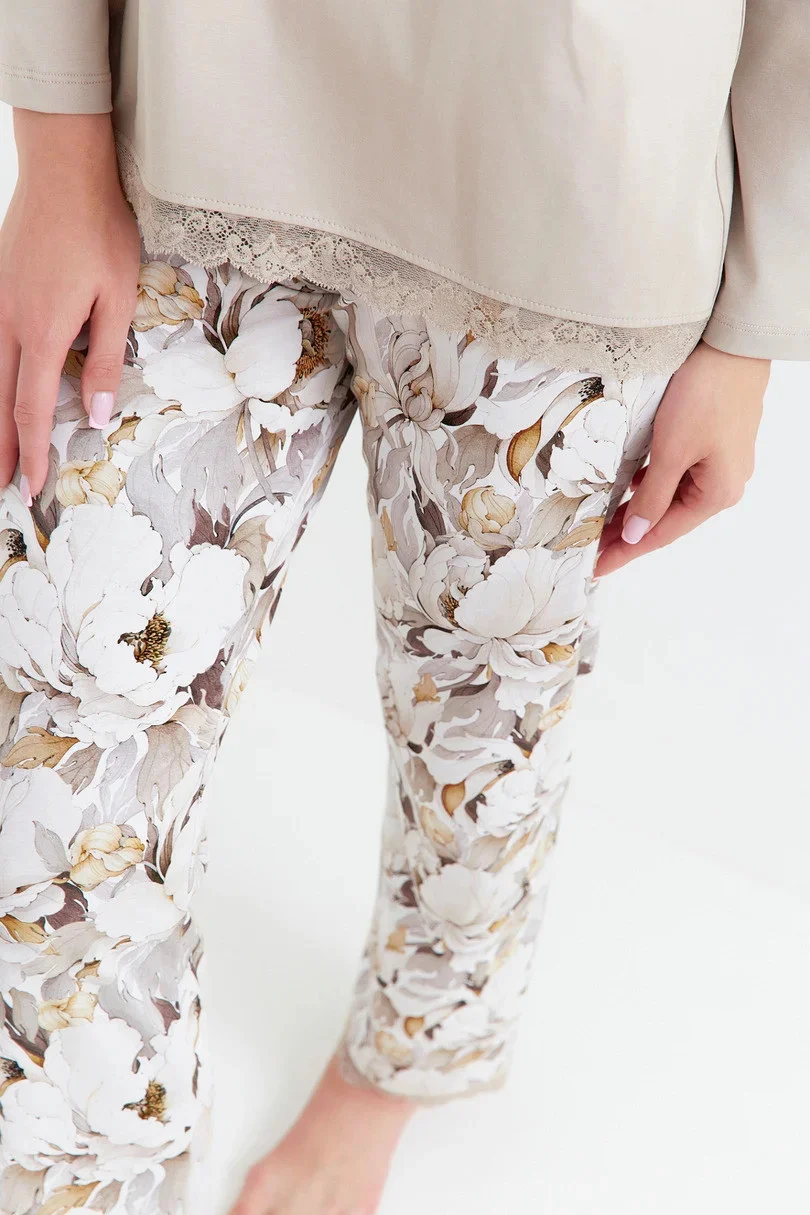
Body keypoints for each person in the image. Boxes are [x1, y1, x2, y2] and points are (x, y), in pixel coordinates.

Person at [0, 2, 805, 1213]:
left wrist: (754, 329)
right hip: (192, 134)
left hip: (574, 194)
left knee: (480, 739)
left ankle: (397, 1070)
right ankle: (90, 1171)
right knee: (52, 779)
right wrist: (58, 153)